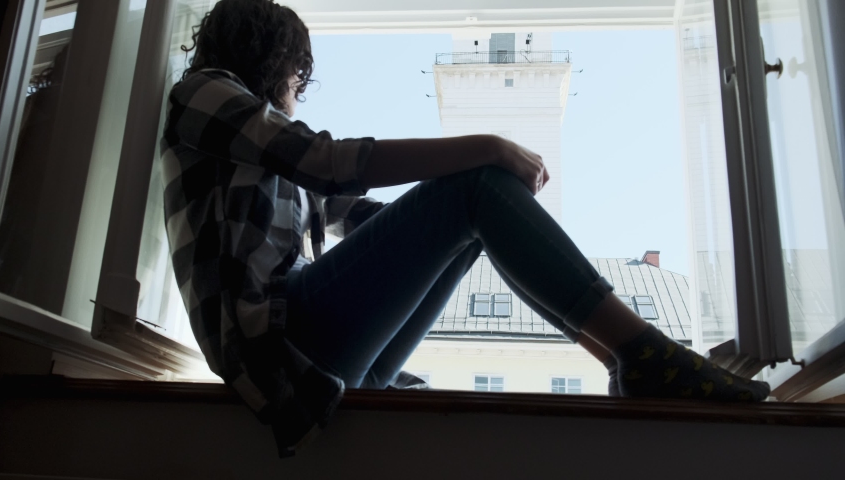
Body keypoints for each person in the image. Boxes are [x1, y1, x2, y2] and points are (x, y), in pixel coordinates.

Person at [161, 0, 770, 457]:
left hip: (316, 357)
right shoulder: (201, 93)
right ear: (270, 60)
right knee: (474, 186)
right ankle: (642, 352)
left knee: (472, 210)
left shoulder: (259, 153)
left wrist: (479, 202)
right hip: (280, 348)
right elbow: (324, 161)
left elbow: (377, 221)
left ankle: (621, 358)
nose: (298, 91)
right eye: (297, 77)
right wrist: (488, 148)